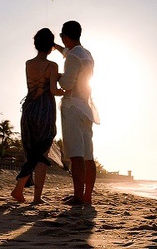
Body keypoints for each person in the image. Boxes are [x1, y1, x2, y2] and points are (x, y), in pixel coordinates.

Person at [12, 28, 65, 204]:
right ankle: (36, 197)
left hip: (29, 107)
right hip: (44, 108)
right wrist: (67, 90)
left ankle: (20, 190)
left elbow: (37, 83)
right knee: (42, 153)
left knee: (31, 152)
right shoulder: (52, 66)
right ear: (50, 46)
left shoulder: (28, 63)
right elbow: (53, 90)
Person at [56, 20, 99, 205]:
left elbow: (66, 84)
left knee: (76, 155)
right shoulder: (87, 54)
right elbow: (69, 52)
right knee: (88, 156)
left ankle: (78, 196)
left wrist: (54, 76)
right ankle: (87, 196)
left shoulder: (74, 56)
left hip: (73, 107)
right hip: (86, 109)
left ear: (65, 36)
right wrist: (57, 47)